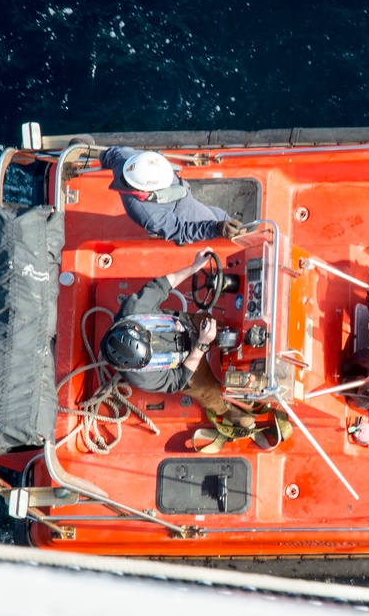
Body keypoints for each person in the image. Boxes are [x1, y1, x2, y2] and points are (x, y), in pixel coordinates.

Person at [100, 248, 255, 429]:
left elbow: (162, 285)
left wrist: (194, 267)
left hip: (190, 327)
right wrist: (202, 345)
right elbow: (177, 380)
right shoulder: (139, 376)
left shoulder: (133, 309)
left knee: (235, 330)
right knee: (213, 394)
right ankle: (235, 413)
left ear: (136, 328)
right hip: (187, 367)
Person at [100, 146, 246, 245]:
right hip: (180, 213)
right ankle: (235, 235)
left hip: (180, 198)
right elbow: (181, 230)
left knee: (216, 214)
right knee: (215, 219)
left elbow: (110, 153)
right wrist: (217, 228)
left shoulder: (122, 157)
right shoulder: (151, 216)